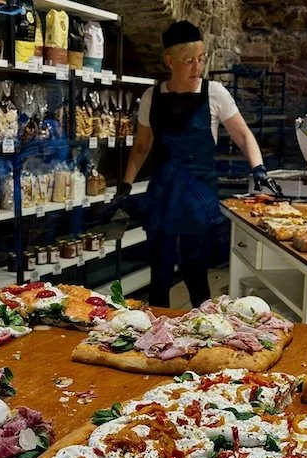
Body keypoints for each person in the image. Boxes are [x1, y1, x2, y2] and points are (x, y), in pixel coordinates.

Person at [115, 20, 278, 308]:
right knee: (160, 275)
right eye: (188, 61)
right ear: (169, 61)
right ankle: (157, 329)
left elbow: (242, 135)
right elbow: (141, 147)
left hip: (198, 196)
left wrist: (259, 170)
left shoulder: (214, 93)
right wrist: (125, 186)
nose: (197, 67)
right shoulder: (152, 97)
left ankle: (203, 328)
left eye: (201, 58)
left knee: (196, 274)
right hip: (164, 195)